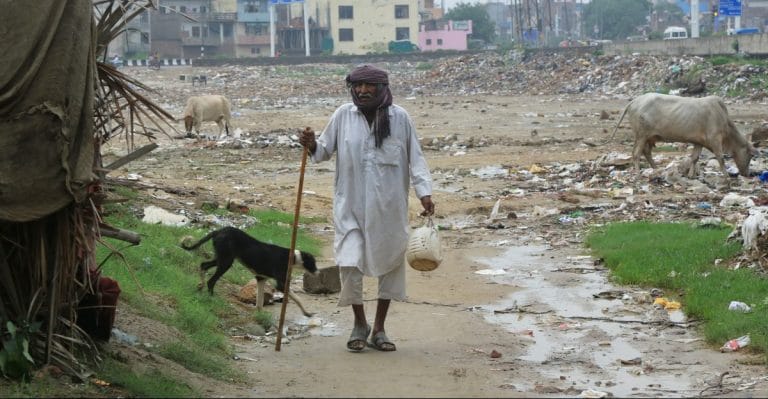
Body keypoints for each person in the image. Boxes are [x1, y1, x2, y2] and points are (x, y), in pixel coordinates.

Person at [299, 64, 435, 352]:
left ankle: (380, 328)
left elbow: (416, 158)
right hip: (349, 205)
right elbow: (322, 151)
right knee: (350, 262)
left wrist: (425, 193)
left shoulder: (400, 119)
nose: (361, 91)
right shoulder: (342, 116)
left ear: (383, 89)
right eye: (357, 86)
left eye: (368, 86)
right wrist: (311, 144)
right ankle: (359, 323)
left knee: (390, 262)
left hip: (389, 208)